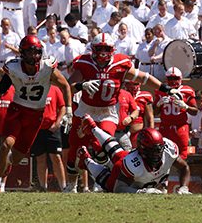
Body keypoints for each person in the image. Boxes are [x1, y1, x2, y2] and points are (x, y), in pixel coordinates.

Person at [65, 33, 183, 192]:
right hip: (86, 108)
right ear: (93, 49)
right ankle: (72, 186)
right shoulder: (84, 63)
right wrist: (82, 85)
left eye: (105, 49)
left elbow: (145, 78)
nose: (102, 52)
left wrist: (167, 89)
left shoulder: (121, 64)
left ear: (112, 50)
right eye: (99, 48)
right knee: (74, 149)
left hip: (108, 111)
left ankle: (99, 167)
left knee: (101, 145)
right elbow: (69, 85)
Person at [0, 35, 72, 193]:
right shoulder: (14, 68)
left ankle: (7, 162)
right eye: (30, 52)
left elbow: (65, 85)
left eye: (37, 52)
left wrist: (69, 109)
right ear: (22, 53)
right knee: (6, 145)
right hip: (17, 111)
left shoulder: (47, 66)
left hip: (35, 116)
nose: (34, 56)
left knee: (17, 158)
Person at [77, 117, 191, 193]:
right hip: (122, 167)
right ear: (142, 149)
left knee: (117, 152)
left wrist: (184, 187)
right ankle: (86, 159)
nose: (157, 154)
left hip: (127, 158)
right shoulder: (133, 163)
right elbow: (119, 188)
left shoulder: (168, 149)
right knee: (109, 186)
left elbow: (184, 167)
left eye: (158, 150)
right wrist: (141, 192)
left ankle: (93, 128)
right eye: (152, 151)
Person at [154, 67, 198, 159]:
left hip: (181, 127)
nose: (173, 81)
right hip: (165, 127)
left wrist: (185, 106)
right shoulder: (161, 91)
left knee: (182, 155)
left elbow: (195, 111)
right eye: (170, 78)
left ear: (181, 78)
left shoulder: (187, 91)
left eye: (176, 78)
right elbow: (155, 113)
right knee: (163, 156)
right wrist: (159, 104)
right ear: (166, 79)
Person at [32, 86, 67, 192]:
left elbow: (62, 107)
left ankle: (63, 187)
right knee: (40, 158)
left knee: (56, 157)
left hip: (52, 129)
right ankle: (43, 187)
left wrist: (57, 124)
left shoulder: (55, 89)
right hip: (37, 129)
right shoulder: (32, 88)